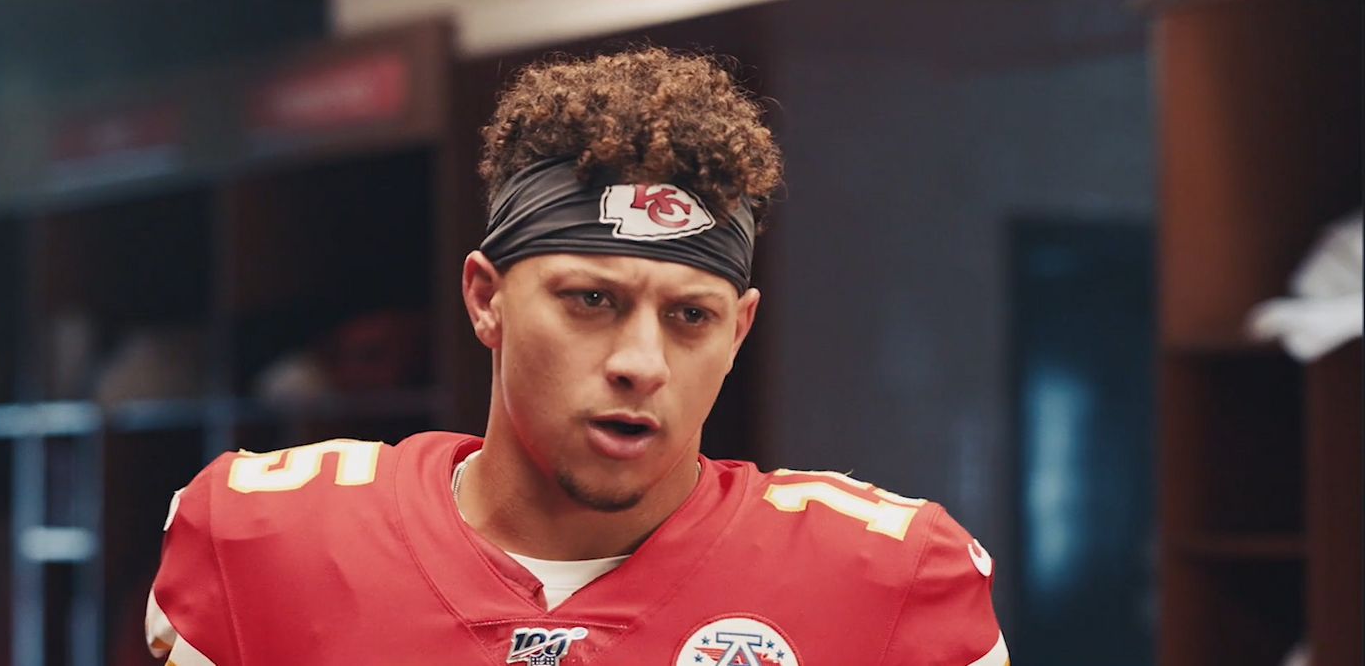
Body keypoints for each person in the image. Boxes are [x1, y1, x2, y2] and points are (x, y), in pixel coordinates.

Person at [145, 47, 1007, 665]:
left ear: (738, 331)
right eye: (592, 300)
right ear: (486, 298)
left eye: (690, 316)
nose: (641, 361)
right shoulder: (269, 541)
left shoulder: (881, 578)